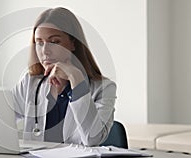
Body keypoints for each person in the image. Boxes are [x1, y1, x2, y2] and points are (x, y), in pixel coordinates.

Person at [12, 7, 116, 146]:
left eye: (54, 42)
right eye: (39, 42)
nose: (45, 51)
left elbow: (93, 139)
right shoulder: (29, 83)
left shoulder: (104, 88)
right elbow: (0, 122)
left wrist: (76, 79)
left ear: (73, 43)